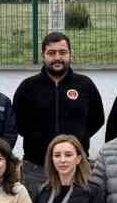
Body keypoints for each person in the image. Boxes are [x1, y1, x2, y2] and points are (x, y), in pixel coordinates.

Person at [13, 31, 105, 192]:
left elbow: (97, 119)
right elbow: (18, 123)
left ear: (70, 54)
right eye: (51, 53)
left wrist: (79, 137)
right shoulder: (28, 87)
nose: (57, 58)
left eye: (62, 52)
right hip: (36, 168)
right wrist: (37, 140)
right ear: (43, 55)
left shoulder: (85, 85)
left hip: (76, 168)